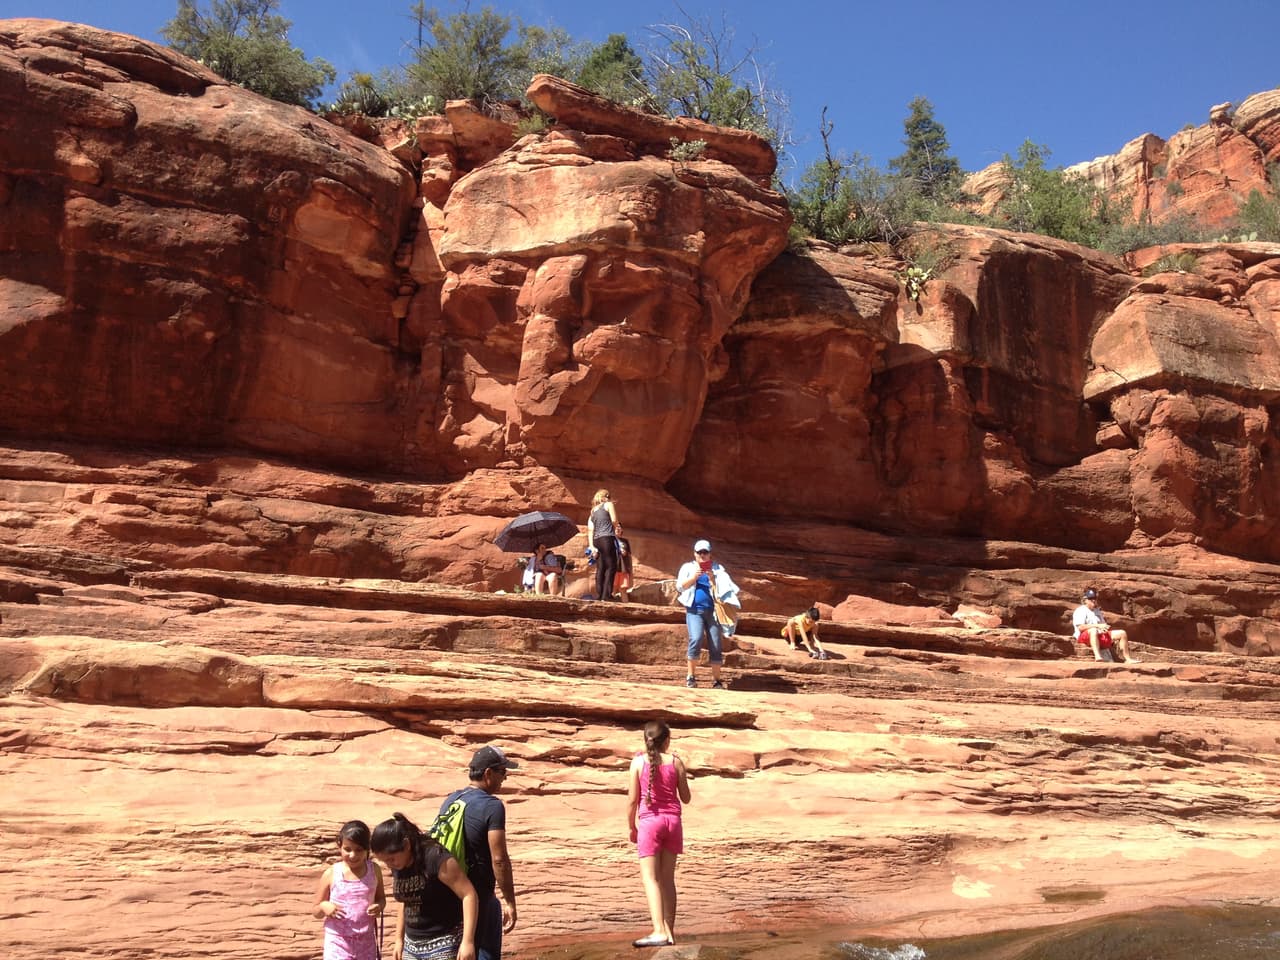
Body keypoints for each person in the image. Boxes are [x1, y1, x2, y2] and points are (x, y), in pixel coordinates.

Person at [438, 746, 519, 960]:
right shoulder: (492, 806)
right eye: (503, 772)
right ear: (488, 773)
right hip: (480, 896)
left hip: (450, 892)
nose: (505, 778)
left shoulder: (451, 800)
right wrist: (510, 902)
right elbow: (499, 859)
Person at [370, 813, 477, 960]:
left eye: (391, 859)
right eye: (385, 861)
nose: (389, 865)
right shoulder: (399, 864)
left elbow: (469, 894)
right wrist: (399, 940)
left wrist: (468, 941)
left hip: (444, 941)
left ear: (406, 845)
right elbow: (405, 901)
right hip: (412, 945)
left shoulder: (435, 857)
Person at [627, 720, 692, 948]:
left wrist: (631, 826)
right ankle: (669, 932)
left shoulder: (637, 762)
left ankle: (658, 931)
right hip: (672, 823)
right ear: (667, 741)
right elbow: (686, 798)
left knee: (650, 878)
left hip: (650, 823)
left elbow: (633, 800)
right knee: (667, 879)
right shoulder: (676, 762)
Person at [315, 820, 386, 960]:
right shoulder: (331, 873)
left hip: (366, 943)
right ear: (339, 846)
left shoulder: (374, 871)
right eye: (347, 849)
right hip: (337, 943)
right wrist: (324, 906)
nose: (353, 855)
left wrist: (379, 906)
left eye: (359, 850)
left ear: (367, 848)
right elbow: (315, 911)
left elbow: (381, 898)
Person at [676, 539, 739, 689]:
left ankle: (717, 680)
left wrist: (713, 579)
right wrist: (694, 578)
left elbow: (728, 590)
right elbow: (680, 587)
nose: (702, 555)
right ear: (694, 553)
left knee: (716, 644)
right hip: (694, 610)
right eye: (699, 552)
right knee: (696, 638)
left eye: (705, 552)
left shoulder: (718, 569)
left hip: (713, 612)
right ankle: (691, 677)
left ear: (710, 554)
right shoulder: (687, 567)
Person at [1072, 587, 1141, 663]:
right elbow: (1080, 627)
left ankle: (1128, 659)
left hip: (1099, 635)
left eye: (1094, 598)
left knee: (1122, 633)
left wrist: (1104, 628)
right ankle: (1098, 656)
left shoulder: (1097, 611)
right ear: (1085, 600)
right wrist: (1097, 626)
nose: (1093, 600)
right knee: (1093, 630)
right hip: (1084, 637)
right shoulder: (1080, 610)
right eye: (1090, 598)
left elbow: (1103, 624)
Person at [586, 489, 621, 601]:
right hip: (607, 538)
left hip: (596, 540)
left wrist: (592, 546)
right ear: (606, 496)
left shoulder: (592, 511)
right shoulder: (608, 504)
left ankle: (600, 595)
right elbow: (614, 520)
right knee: (611, 566)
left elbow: (590, 530)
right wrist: (617, 528)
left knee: (601, 568)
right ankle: (607, 595)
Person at [613, 536, 633, 601]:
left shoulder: (625, 541)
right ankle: (611, 604)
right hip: (614, 568)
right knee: (613, 588)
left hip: (624, 568)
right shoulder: (611, 540)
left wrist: (630, 568)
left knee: (623, 589)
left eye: (619, 530)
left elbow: (629, 555)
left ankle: (625, 604)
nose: (618, 530)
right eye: (616, 529)